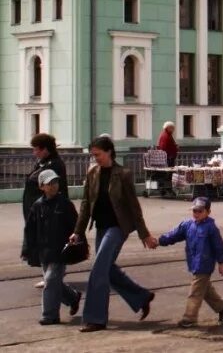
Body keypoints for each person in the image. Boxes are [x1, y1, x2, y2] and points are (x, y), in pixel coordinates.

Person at [70, 136, 157, 332]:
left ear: (109, 152)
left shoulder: (123, 174)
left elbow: (134, 207)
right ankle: (142, 296)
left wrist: (145, 234)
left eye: (97, 155)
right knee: (107, 269)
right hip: (101, 227)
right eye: (93, 155)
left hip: (118, 228)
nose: (95, 159)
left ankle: (95, 319)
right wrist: (78, 231)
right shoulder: (92, 173)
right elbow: (85, 204)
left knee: (98, 270)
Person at [159, 197, 223, 327]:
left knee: (195, 291)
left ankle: (190, 317)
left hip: (205, 263)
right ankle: (222, 307)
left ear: (208, 212)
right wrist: (159, 241)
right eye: (194, 211)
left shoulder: (211, 228)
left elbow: (218, 246)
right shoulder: (187, 225)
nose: (196, 214)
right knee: (205, 290)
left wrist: (221, 263)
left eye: (200, 211)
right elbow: (174, 235)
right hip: (194, 263)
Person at [21, 169, 81, 325]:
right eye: (49, 183)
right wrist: (27, 249)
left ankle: (50, 315)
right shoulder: (37, 206)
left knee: (49, 280)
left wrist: (78, 242)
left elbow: (76, 226)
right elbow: (30, 230)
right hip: (44, 252)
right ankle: (73, 297)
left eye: (55, 182)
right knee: (54, 282)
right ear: (42, 187)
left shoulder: (65, 204)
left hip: (60, 251)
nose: (54, 186)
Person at [24, 133, 69, 221]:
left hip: (45, 214)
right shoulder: (42, 163)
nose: (34, 153)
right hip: (36, 211)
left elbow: (53, 191)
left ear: (45, 149)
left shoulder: (54, 165)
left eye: (36, 150)